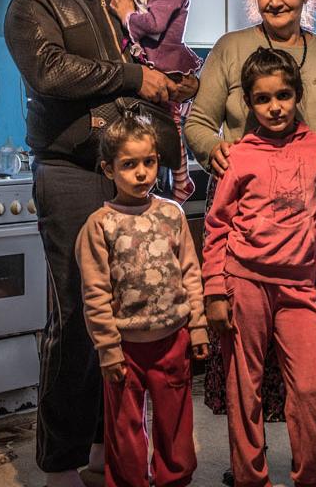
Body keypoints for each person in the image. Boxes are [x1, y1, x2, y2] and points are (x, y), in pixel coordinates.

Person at [2, 0, 185, 486]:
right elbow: (50, 71)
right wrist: (134, 78)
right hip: (71, 173)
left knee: (132, 318)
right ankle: (61, 463)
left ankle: (109, 451)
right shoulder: (35, 2)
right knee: (80, 317)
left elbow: (162, 57)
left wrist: (180, 78)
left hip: (133, 173)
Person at [184, 0, 316, 446]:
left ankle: (314, 456)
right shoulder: (231, 49)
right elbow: (198, 122)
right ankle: (247, 460)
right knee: (248, 351)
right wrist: (214, 151)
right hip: (249, 219)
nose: (276, 0)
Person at [203, 47, 316, 487]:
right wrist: (214, 289)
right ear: (249, 103)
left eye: (283, 95)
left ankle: (312, 476)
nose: (275, 107)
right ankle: (249, 478)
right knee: (243, 387)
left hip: (300, 287)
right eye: (262, 99)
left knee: (314, 388)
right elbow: (217, 224)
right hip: (243, 282)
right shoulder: (238, 155)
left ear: (298, 94)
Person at [76, 113, 209, 487]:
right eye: (129, 164)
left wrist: (198, 328)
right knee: (124, 430)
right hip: (125, 348)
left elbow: (191, 274)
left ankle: (174, 479)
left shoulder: (172, 214)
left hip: (173, 341)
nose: (141, 173)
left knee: (175, 424)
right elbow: (95, 293)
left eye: (148, 162)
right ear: (109, 169)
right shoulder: (99, 225)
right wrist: (107, 349)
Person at [110, 0, 203, 204]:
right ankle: (179, 179)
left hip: (168, 64)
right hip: (155, 66)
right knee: (167, 120)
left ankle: (182, 181)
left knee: (172, 122)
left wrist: (127, 14)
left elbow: (154, 24)